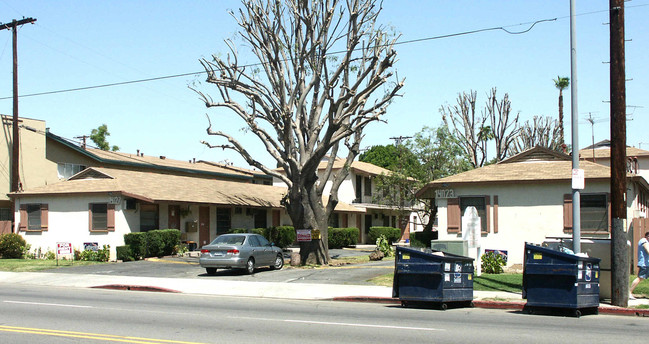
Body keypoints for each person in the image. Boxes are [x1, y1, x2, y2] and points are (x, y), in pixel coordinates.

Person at [630, 231, 649, 299]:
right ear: (647, 236)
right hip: (645, 264)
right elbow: (647, 249)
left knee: (640, 278)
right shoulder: (644, 241)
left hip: (647, 264)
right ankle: (629, 292)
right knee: (640, 278)